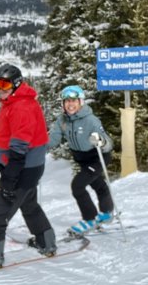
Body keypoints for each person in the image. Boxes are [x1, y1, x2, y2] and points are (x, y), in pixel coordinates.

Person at [0, 63, 56, 269]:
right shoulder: (16, 101)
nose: (0, 89)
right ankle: (45, 241)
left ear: (16, 83)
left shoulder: (21, 106)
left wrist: (10, 178)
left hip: (21, 168)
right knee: (29, 204)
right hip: (26, 168)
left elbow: (20, 146)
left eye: (4, 84)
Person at [48, 84, 114, 235]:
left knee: (77, 186)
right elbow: (53, 139)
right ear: (63, 104)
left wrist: (101, 142)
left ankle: (89, 219)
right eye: (67, 101)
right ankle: (106, 212)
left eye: (74, 100)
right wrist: (38, 145)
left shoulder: (91, 120)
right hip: (82, 159)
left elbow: (108, 142)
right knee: (98, 184)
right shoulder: (62, 121)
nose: (70, 104)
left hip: (98, 157)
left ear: (80, 102)